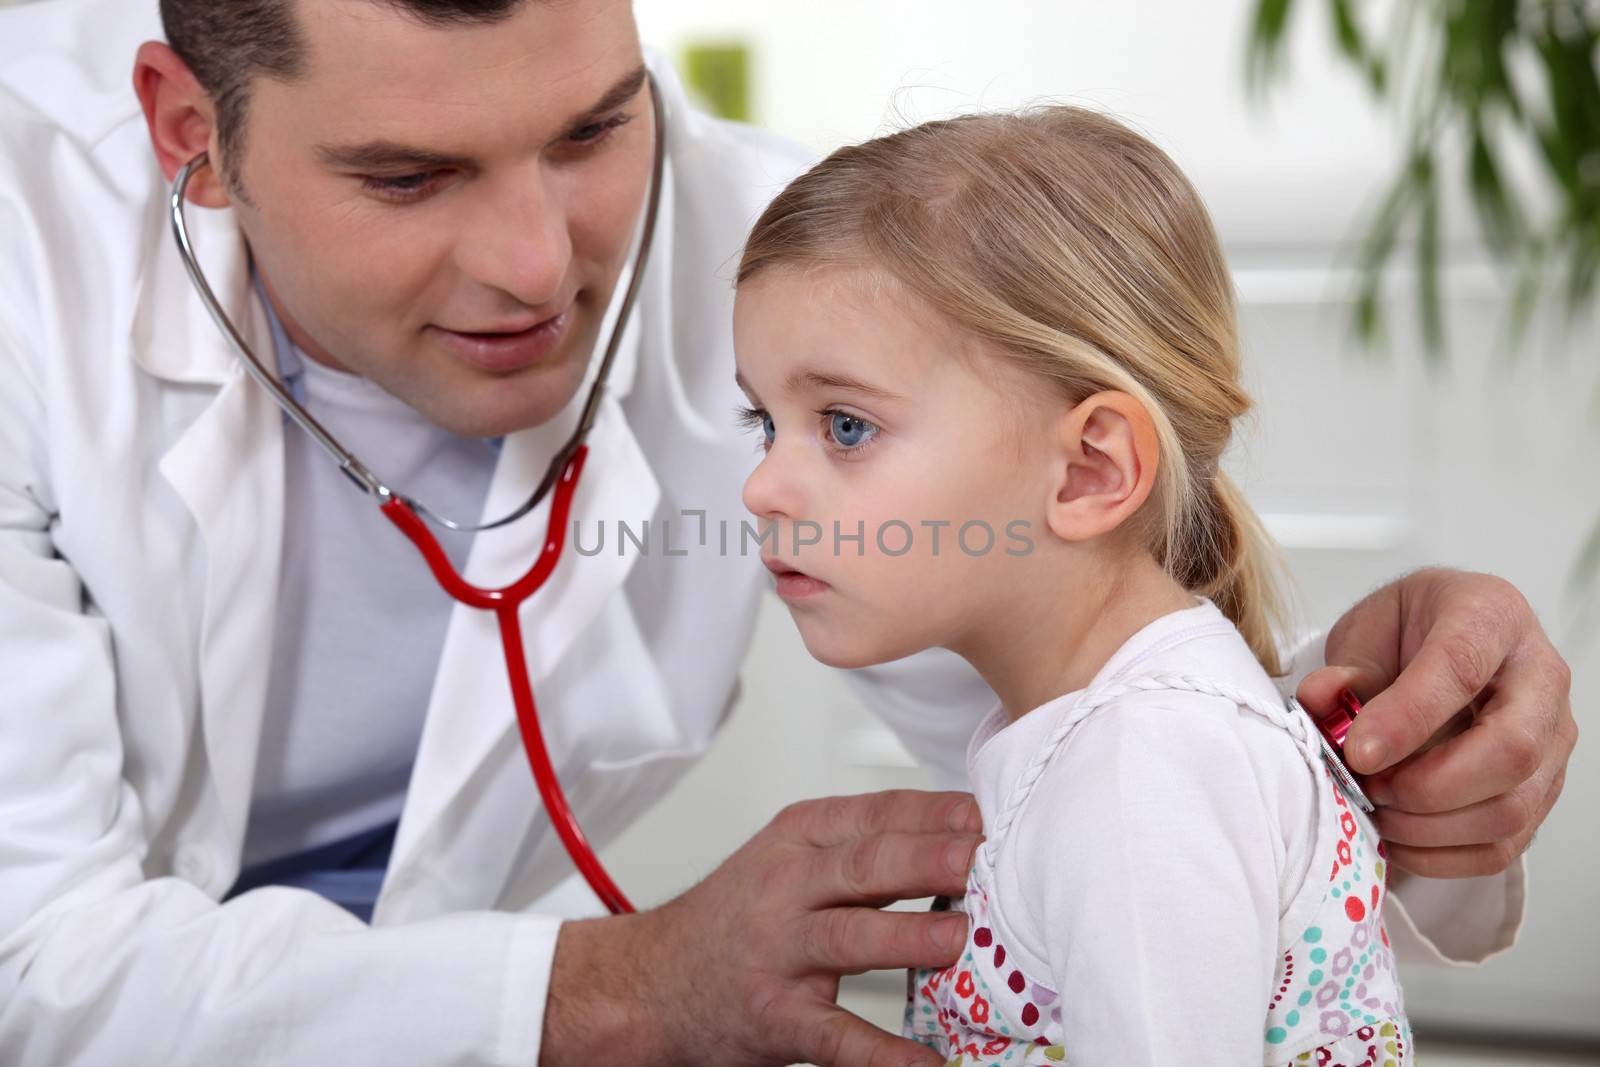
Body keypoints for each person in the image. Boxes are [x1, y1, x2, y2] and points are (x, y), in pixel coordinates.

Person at [0, 0, 1576, 1064]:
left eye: (593, 131)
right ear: (187, 129)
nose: (539, 262)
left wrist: (1366, 736)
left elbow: (1094, 691)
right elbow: (33, 959)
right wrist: (615, 991)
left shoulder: (801, 279)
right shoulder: (27, 277)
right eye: (409, 176)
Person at [732, 104, 1419, 1063]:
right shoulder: (1107, 729)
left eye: (845, 424)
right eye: (762, 421)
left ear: (1091, 469)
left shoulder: (1146, 766)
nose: (762, 485)